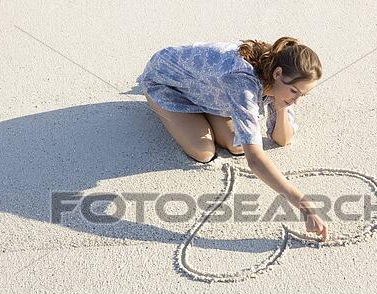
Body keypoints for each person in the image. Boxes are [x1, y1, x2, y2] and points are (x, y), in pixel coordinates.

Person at [136, 36, 328, 241]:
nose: (296, 100)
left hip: (210, 91)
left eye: (302, 95)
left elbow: (282, 139)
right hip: (166, 84)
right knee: (204, 151)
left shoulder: (277, 78)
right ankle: (161, 104)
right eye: (294, 92)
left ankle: (206, 112)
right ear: (278, 73)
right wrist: (304, 206)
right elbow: (254, 159)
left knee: (237, 145)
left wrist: (282, 106)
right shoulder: (242, 81)